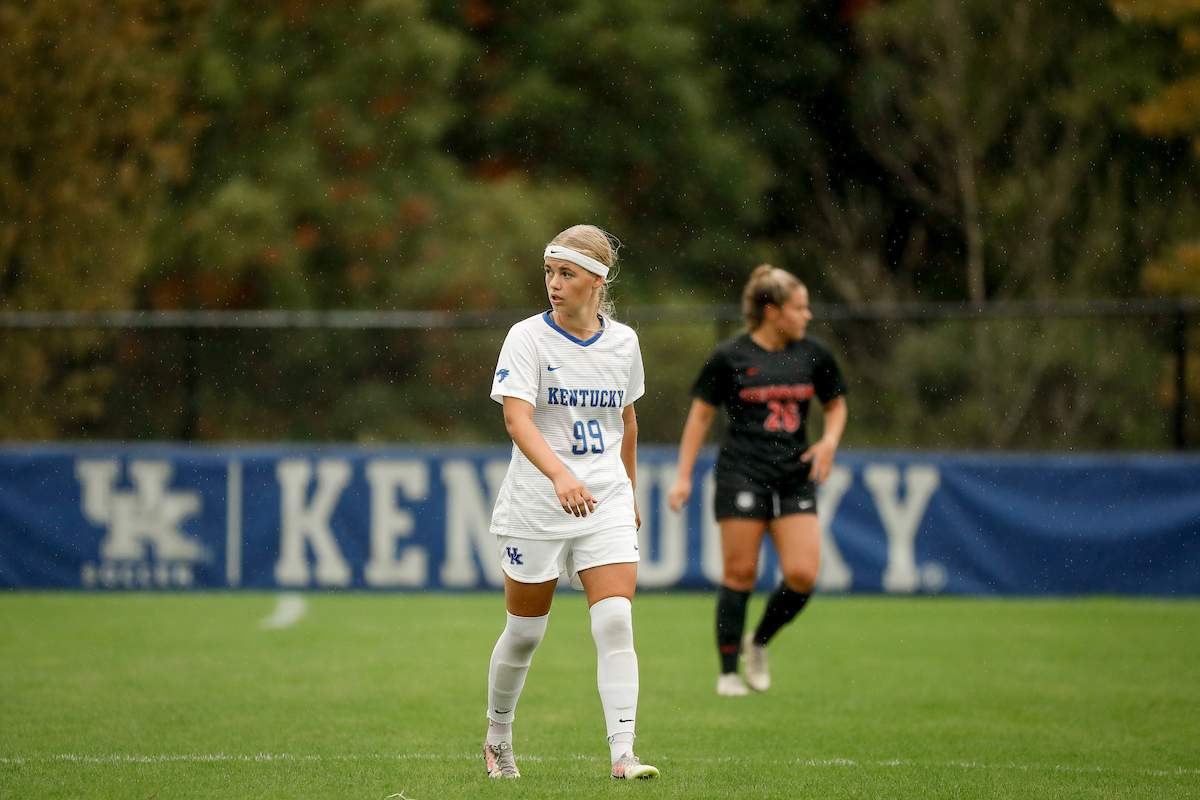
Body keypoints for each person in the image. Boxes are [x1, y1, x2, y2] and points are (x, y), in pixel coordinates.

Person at [482, 224, 659, 781]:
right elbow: (516, 417)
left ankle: (623, 753)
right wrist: (559, 475)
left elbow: (626, 422)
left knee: (615, 623)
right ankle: (498, 737)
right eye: (549, 273)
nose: (553, 285)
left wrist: (628, 491)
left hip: (603, 502)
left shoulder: (624, 342)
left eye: (567, 274)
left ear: (597, 282)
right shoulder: (526, 337)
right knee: (526, 631)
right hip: (537, 503)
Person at [668, 264, 848, 696]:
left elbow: (836, 405)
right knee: (740, 572)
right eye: (799, 308)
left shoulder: (813, 354)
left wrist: (829, 442)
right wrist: (683, 477)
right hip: (742, 473)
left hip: (793, 476)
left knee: (803, 574)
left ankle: (759, 641)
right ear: (772, 310)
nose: (807, 316)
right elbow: (700, 417)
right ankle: (729, 672)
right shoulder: (730, 356)